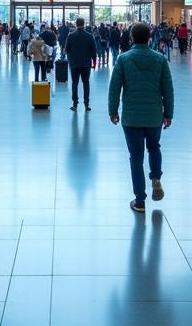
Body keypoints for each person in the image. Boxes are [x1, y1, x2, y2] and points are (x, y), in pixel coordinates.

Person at [108, 21, 174, 214]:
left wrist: (113, 111)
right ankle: (156, 178)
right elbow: (167, 89)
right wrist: (168, 113)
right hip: (154, 115)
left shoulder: (123, 59)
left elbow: (114, 88)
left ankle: (140, 201)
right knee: (154, 147)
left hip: (131, 116)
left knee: (136, 157)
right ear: (150, 37)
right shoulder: (160, 59)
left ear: (131, 37)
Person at [65, 18, 98, 112]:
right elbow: (94, 51)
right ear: (84, 24)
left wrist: (70, 58)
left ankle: (75, 104)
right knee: (86, 83)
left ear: (76, 24)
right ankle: (86, 104)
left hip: (74, 64)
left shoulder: (71, 36)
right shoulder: (90, 36)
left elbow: (66, 49)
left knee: (74, 83)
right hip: (86, 64)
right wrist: (94, 62)